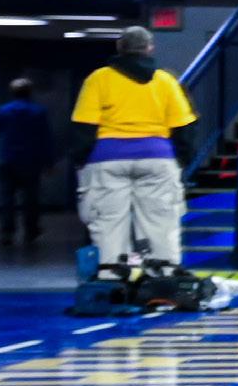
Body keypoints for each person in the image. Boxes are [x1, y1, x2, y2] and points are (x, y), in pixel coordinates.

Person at [71, 30, 193, 268]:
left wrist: (81, 160)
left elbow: (84, 126)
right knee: (161, 220)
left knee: (108, 221)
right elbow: (184, 127)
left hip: (107, 158)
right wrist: (181, 161)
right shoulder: (166, 80)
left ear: (119, 47)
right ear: (150, 48)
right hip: (157, 157)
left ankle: (111, 273)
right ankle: (163, 274)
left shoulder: (99, 79)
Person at [0, 77, 57, 248]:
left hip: (8, 159)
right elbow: (46, 138)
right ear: (30, 92)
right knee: (31, 198)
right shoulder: (39, 112)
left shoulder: (3, 111)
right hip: (31, 161)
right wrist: (49, 163)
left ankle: (7, 232)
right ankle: (31, 230)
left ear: (12, 92)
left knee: (7, 197)